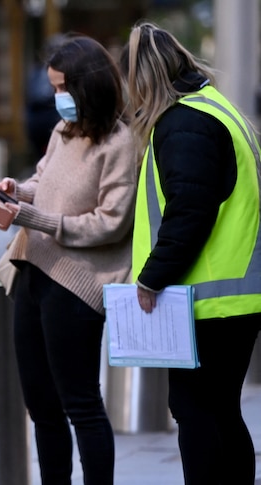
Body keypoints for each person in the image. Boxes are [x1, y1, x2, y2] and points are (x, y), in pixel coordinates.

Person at [121, 21, 261, 485]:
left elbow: (190, 211)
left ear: (145, 80)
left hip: (210, 302)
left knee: (196, 412)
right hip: (233, 297)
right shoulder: (216, 108)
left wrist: (151, 277)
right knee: (220, 411)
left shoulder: (184, 123)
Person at [0, 35, 137, 484]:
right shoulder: (62, 131)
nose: (56, 98)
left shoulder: (121, 143)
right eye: (53, 88)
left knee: (81, 404)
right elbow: (45, 182)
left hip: (76, 283)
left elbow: (111, 222)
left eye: (62, 88)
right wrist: (16, 192)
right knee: (40, 405)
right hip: (31, 269)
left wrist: (34, 217)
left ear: (88, 87)